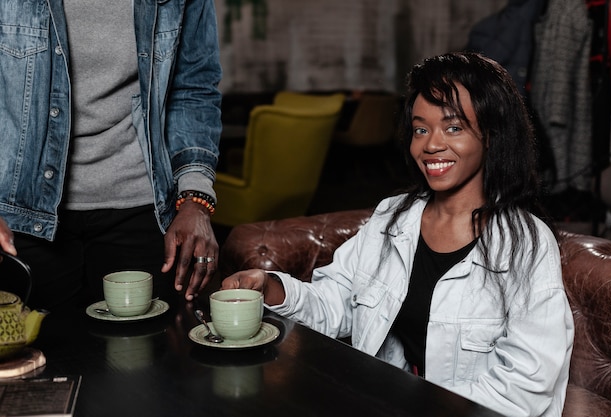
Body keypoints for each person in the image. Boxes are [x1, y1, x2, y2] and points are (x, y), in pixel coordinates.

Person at [222, 52, 574, 417]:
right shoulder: (393, 217)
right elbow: (335, 303)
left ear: (492, 134)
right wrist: (271, 287)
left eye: (453, 127)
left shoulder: (527, 245)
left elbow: (524, 388)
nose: (431, 145)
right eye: (421, 129)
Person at [0, 0, 222, 309]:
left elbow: (193, 87)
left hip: (142, 210)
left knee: (143, 352)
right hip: (19, 214)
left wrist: (195, 199)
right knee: (39, 353)